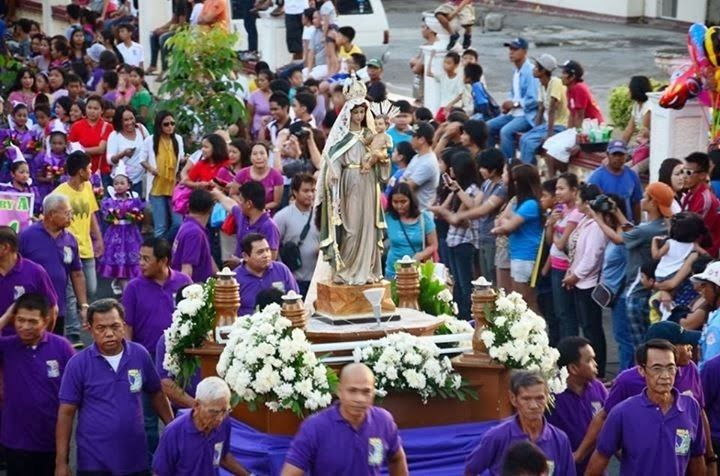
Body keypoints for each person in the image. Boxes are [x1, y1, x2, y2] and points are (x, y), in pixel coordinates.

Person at [56, 299, 174, 476]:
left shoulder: (139, 354)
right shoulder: (78, 364)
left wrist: (172, 429)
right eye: (101, 328)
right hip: (94, 463)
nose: (109, 333)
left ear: (123, 325)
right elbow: (66, 413)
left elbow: (156, 393)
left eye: (115, 326)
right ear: (90, 329)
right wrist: (61, 463)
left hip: (135, 460)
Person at [573, 321, 707, 466]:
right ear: (667, 349)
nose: (690, 347)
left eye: (670, 369)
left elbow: (700, 412)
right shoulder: (627, 381)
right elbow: (604, 417)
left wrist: (711, 458)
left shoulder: (691, 369)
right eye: (684, 343)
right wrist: (580, 454)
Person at [316, 77, 391, 285]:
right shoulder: (343, 138)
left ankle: (367, 269)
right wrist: (333, 176)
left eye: (362, 112)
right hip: (349, 183)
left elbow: (383, 164)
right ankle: (347, 269)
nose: (359, 116)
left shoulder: (371, 135)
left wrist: (382, 159)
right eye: (355, 112)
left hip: (368, 183)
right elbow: (333, 161)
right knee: (350, 228)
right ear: (348, 113)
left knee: (368, 225)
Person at [123, 237, 191, 453]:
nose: (140, 263)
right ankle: (151, 463)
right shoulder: (133, 288)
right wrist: (129, 359)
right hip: (147, 359)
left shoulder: (185, 283)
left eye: (146, 259)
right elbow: (128, 327)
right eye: (139, 258)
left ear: (163, 261)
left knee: (183, 415)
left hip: (180, 360)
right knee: (148, 419)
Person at [281, 363, 408, 475]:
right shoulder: (315, 427)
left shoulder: (383, 422)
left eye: (366, 392)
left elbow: (397, 459)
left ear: (374, 393)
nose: (359, 398)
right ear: (339, 391)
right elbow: (291, 472)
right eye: (352, 391)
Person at [593, 181, 672, 349]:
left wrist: (596, 218)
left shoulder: (647, 230)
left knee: (640, 346)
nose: (641, 199)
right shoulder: (662, 226)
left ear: (653, 202)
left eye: (645, 196)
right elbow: (632, 232)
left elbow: (618, 239)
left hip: (637, 291)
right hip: (649, 289)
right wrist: (617, 212)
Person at [465, 370, 575, 476]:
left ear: (547, 397)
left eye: (539, 398)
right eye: (526, 399)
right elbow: (471, 470)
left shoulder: (560, 439)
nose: (534, 405)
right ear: (513, 399)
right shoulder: (496, 437)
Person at [19, 194, 88, 341]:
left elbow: (76, 274)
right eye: (67, 213)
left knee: (52, 347)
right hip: (30, 310)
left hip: (57, 309)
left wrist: (84, 306)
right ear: (51, 214)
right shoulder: (26, 236)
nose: (71, 216)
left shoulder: (70, 239)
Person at [152, 376, 250, 475]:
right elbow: (159, 473)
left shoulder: (224, 422)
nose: (220, 418)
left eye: (225, 411)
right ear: (197, 405)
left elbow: (222, 457)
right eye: (213, 412)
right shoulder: (173, 433)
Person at [546, 336, 607, 475]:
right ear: (573, 368)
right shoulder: (550, 395)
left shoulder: (598, 388)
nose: (596, 364)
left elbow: (612, 427)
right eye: (589, 360)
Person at [491, 164, 543, 313]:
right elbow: (502, 221)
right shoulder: (519, 203)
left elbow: (506, 226)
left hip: (526, 256)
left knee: (526, 301)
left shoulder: (530, 204)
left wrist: (502, 226)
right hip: (517, 255)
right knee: (519, 300)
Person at [486, 38, 538, 160]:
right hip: (514, 115)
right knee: (487, 126)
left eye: (515, 49)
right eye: (510, 49)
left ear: (524, 51)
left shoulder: (531, 71)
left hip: (527, 116)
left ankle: (509, 165)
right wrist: (507, 105)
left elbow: (534, 100)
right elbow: (513, 93)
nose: (511, 52)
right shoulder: (516, 71)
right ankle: (491, 161)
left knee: (505, 132)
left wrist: (514, 104)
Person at [97, 169, 143, 294]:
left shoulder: (134, 199)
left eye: (122, 183)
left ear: (128, 185)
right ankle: (123, 286)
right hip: (115, 234)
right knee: (118, 259)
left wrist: (135, 216)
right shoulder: (109, 201)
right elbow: (106, 217)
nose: (119, 186)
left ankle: (127, 285)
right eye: (116, 183)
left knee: (132, 258)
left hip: (130, 233)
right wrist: (112, 217)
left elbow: (140, 215)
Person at [274, 173, 321, 297]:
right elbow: (274, 247)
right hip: (293, 280)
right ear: (295, 192)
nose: (310, 194)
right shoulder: (282, 217)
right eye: (305, 191)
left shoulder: (321, 215)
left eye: (313, 190)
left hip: (317, 278)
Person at [141, 111, 184, 241]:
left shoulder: (178, 139)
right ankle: (159, 254)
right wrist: (152, 169)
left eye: (172, 123)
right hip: (157, 186)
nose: (170, 127)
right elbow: (142, 160)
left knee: (178, 223)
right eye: (166, 124)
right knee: (161, 226)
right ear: (160, 125)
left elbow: (180, 158)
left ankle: (164, 247)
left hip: (173, 186)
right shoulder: (150, 140)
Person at [518, 53, 568, 166]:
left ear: (543, 71)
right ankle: (528, 168)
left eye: (536, 67)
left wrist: (549, 136)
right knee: (524, 138)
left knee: (530, 142)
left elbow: (551, 110)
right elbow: (540, 109)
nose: (533, 69)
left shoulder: (555, 82)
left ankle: (527, 173)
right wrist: (535, 129)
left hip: (560, 126)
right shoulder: (541, 84)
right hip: (548, 125)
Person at [235, 233, 299, 316]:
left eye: (267, 250)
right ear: (246, 256)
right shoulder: (235, 279)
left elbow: (295, 299)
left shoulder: (281, 269)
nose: (266, 255)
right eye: (260, 252)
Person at [385, 182, 438, 279]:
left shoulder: (424, 219)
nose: (399, 205)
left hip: (416, 272)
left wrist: (420, 255)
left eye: (403, 201)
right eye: (395, 202)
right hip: (392, 271)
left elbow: (433, 245)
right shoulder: (389, 218)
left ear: (411, 200)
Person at [587, 140, 643, 223]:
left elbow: (636, 203)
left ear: (626, 156)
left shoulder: (632, 175)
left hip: (626, 224)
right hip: (605, 225)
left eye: (621, 155)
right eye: (614, 154)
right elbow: (590, 204)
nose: (617, 158)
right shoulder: (596, 177)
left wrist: (637, 225)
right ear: (608, 155)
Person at [172, 189, 217, 283]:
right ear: (211, 209)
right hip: (195, 291)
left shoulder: (188, 226)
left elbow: (209, 258)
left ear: (189, 206)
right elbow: (186, 270)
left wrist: (222, 280)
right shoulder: (194, 233)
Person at [681, 152, 720, 257]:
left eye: (688, 172)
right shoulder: (689, 194)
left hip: (706, 252)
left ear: (702, 175)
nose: (683, 176)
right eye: (682, 171)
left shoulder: (705, 200)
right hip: (692, 245)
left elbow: (694, 233)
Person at [67, 95, 111, 179]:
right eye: (89, 108)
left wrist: (81, 150)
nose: (92, 111)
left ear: (102, 111)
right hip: (80, 172)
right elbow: (70, 148)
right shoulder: (76, 126)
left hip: (101, 172)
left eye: (96, 108)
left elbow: (101, 149)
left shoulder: (107, 127)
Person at [233, 142, 284, 212]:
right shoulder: (242, 173)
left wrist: (257, 209)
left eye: (262, 153)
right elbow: (233, 194)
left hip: (266, 215)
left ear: (268, 155)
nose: (259, 157)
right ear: (250, 157)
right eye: (254, 154)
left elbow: (276, 202)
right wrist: (244, 206)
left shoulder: (276, 176)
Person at [402, 121, 439, 211]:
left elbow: (406, 187)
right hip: (412, 211)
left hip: (421, 214)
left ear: (422, 140)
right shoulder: (417, 156)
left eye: (413, 136)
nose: (410, 139)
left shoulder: (428, 163)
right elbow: (403, 178)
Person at [693, 262, 720, 368]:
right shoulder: (715, 315)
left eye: (705, 286)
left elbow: (710, 368)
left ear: (717, 288)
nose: (702, 290)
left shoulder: (717, 325)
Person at [623, 75, 652, 173]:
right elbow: (629, 129)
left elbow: (643, 135)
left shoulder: (648, 106)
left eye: (629, 89)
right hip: (642, 147)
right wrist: (620, 146)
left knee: (629, 170)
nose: (628, 91)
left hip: (650, 149)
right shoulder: (636, 106)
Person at [427, 51, 464, 122]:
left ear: (456, 65)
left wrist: (450, 104)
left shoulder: (459, 78)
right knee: (437, 123)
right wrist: (431, 57)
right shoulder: (442, 76)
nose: (445, 65)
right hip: (444, 107)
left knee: (437, 122)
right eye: (444, 62)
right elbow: (428, 73)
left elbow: (461, 95)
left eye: (448, 63)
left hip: (454, 107)